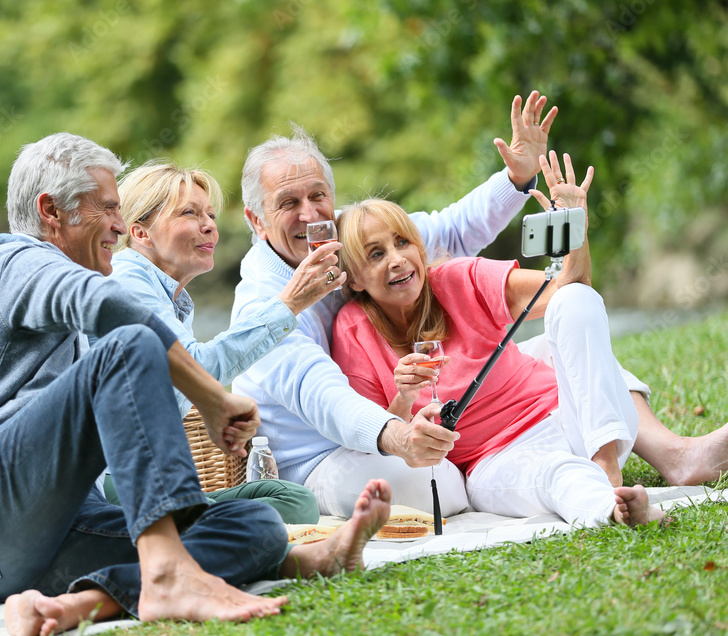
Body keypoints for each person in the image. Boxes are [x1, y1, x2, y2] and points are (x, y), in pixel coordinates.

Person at [0, 132, 394, 636]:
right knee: (129, 343)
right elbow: (111, 314)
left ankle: (83, 603)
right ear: (51, 212)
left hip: (25, 546)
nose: (117, 224)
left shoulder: (81, 289)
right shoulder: (14, 261)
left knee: (256, 523)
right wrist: (212, 397)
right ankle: (168, 572)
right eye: (107, 209)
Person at [231, 93, 727, 518]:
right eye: (287, 203)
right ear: (256, 220)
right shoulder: (272, 306)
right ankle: (592, 497)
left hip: (482, 413)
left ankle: (668, 458)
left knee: (569, 334)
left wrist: (520, 180)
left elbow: (448, 232)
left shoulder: (354, 235)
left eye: (318, 195)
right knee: (443, 487)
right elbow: (325, 398)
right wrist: (398, 432)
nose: (308, 213)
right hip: (328, 450)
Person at [331, 151, 667, 527]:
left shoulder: (460, 278)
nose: (396, 259)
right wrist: (404, 397)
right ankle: (612, 509)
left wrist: (577, 226)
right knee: (555, 474)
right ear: (354, 278)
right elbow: (376, 436)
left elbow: (570, 291)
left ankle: (607, 471)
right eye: (376, 254)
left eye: (402, 243)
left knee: (575, 298)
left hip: (575, 423)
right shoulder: (352, 329)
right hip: (496, 459)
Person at [100, 160, 343, 524]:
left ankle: (205, 526)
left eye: (210, 214)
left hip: (159, 478)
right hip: (116, 481)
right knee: (276, 516)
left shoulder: (172, 298)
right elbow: (197, 368)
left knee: (293, 500)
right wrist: (289, 303)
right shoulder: (127, 280)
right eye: (189, 213)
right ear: (141, 233)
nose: (209, 225)